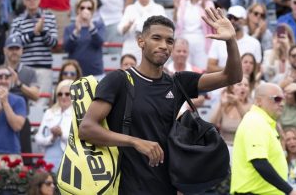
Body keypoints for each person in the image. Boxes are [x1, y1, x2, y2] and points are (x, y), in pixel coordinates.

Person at [79, 11, 243, 194]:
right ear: (141, 41)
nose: (164, 45)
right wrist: (134, 142)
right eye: (156, 38)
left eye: (169, 41)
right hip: (126, 189)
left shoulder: (178, 82)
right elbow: (87, 129)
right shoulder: (119, 80)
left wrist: (231, 41)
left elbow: (232, 76)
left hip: (167, 189)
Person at [231, 83, 296, 195]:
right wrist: (290, 190)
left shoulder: (263, 122)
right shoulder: (255, 121)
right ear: (259, 101)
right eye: (277, 99)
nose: (282, 103)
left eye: (283, 99)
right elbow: (259, 162)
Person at [0, 35, 40, 163]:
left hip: (20, 119)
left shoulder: (29, 72)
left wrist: (18, 83)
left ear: (22, 50)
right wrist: (1, 84)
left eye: (17, 48)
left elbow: (36, 95)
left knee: (24, 161)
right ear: (4, 50)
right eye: (11, 48)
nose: (14, 51)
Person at [11, 0, 58, 95]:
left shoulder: (49, 17)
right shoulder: (18, 21)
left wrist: (42, 32)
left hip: (44, 68)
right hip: (25, 68)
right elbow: (15, 44)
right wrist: (34, 33)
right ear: (24, 0)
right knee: (24, 100)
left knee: (42, 102)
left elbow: (53, 43)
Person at [117, 0, 166, 64]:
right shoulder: (130, 8)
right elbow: (120, 30)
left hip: (151, 46)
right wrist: (128, 25)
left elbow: (165, 28)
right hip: (132, 45)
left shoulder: (158, 8)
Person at [174, 0, 214, 69]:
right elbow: (177, 22)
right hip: (183, 40)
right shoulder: (182, 1)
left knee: (201, 68)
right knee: (185, 69)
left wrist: (204, 8)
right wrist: (176, 9)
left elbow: (212, 24)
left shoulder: (208, 3)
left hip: (201, 40)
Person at [207, 5, 262, 73]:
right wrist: (233, 70)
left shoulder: (254, 43)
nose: (232, 21)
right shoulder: (218, 41)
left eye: (236, 18)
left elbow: (256, 70)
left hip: (244, 82)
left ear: (244, 21)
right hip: (223, 82)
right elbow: (210, 67)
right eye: (230, 18)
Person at [35, 79, 73, 173]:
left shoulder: (79, 114)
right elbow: (38, 138)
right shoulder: (49, 113)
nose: (63, 97)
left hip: (70, 159)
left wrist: (62, 134)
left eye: (67, 94)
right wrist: (52, 138)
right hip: (49, 158)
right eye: (60, 94)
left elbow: (79, 141)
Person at [64, 0, 105, 78]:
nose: (85, 10)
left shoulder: (99, 25)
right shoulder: (70, 28)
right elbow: (66, 48)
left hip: (95, 73)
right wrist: (76, 31)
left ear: (93, 11)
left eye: (89, 8)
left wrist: (90, 25)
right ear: (77, 10)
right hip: (75, 74)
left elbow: (99, 43)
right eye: (82, 8)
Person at [210, 76, 251, 148]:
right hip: (223, 148)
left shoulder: (252, 106)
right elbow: (211, 125)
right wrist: (221, 105)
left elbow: (250, 125)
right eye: (239, 84)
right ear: (232, 88)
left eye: (246, 85)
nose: (243, 87)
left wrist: (237, 104)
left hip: (242, 148)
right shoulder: (224, 104)